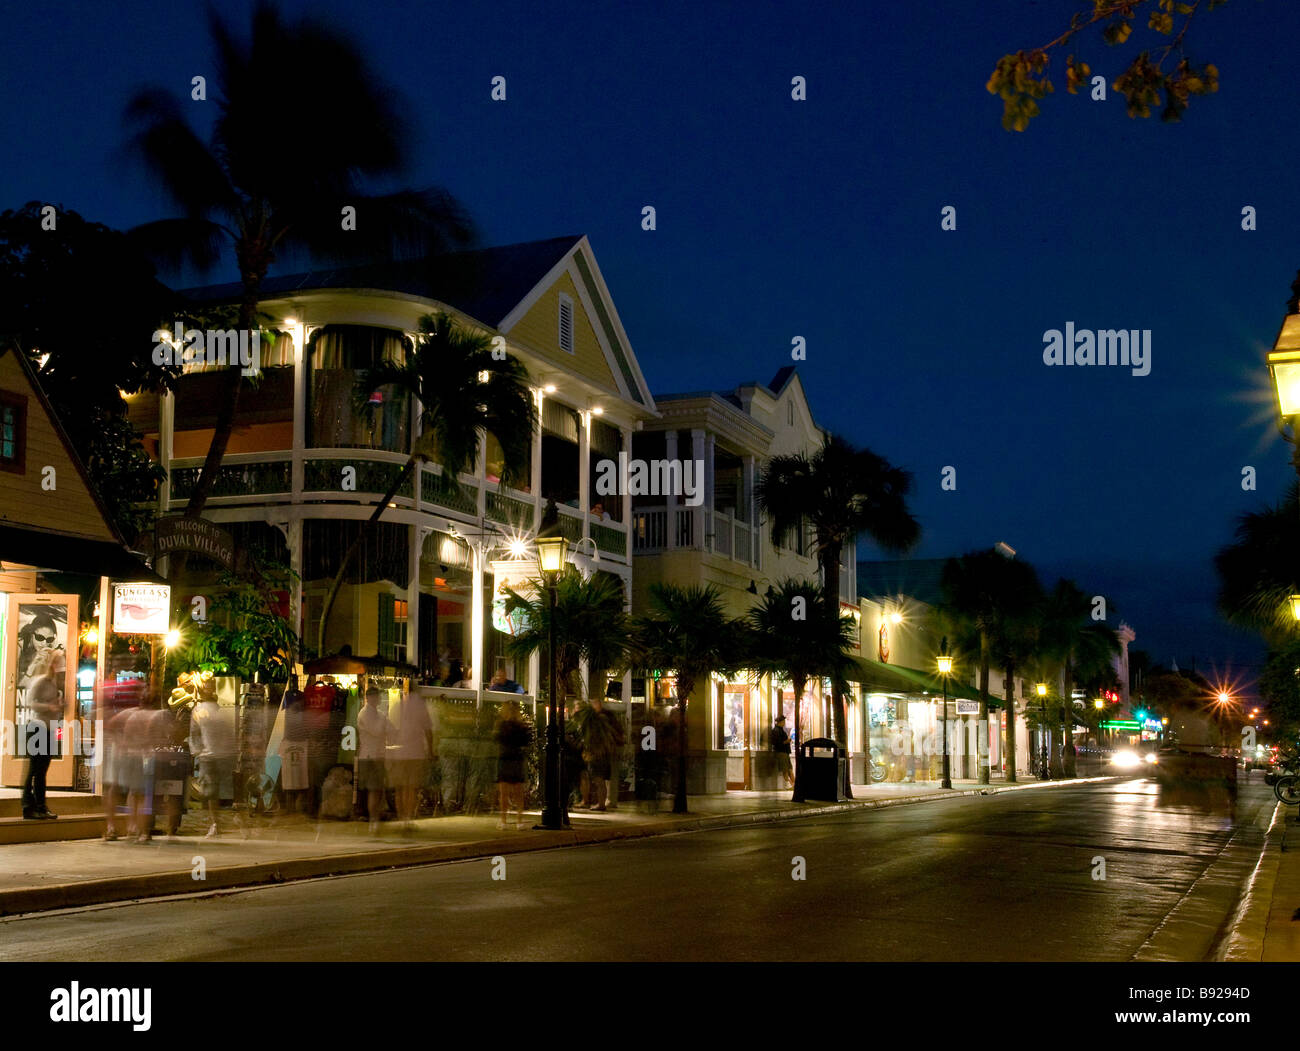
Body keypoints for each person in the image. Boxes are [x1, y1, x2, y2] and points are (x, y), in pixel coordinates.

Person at [189, 679, 237, 838]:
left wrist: (197, 751)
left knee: (212, 791)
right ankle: (215, 822)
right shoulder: (203, 711)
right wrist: (199, 751)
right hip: (213, 756)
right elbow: (195, 733)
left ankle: (215, 822)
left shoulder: (206, 711)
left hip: (216, 755)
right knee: (212, 791)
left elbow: (194, 734)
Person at [20, 676, 62, 820]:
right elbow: (30, 702)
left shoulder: (57, 685)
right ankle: (29, 807)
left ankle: (40, 806)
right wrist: (48, 706)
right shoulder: (41, 681)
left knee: (41, 770)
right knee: (35, 769)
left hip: (50, 729)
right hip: (38, 727)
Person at [389, 692, 433, 831]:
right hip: (416, 752)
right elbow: (428, 730)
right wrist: (430, 750)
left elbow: (391, 730)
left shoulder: (396, 706)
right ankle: (408, 818)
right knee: (411, 788)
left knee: (400, 788)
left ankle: (401, 818)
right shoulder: (421, 706)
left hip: (399, 753)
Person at [357, 686, 392, 834]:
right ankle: (373, 819)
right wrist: (385, 719)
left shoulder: (377, 714)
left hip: (375, 755)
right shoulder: (366, 714)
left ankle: (374, 817)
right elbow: (378, 731)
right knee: (374, 789)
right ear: (369, 698)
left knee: (376, 789)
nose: (378, 699)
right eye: (376, 696)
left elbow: (390, 729)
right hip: (370, 756)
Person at [579, 696, 624, 812]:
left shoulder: (600, 720)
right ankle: (605, 801)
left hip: (602, 752)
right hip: (606, 751)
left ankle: (604, 802)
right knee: (604, 779)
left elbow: (603, 735)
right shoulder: (604, 718)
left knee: (601, 779)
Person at [494, 701, 533, 830]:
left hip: (505, 757)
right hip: (516, 758)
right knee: (518, 792)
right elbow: (526, 742)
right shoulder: (521, 726)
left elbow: (497, 739)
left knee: (503, 793)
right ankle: (519, 821)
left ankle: (503, 821)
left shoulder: (502, 725)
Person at [770, 714, 793, 788]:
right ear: (780, 722)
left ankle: (793, 784)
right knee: (786, 769)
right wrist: (787, 741)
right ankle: (788, 784)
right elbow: (777, 743)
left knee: (789, 769)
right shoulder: (776, 731)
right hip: (781, 752)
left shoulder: (780, 730)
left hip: (785, 752)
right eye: (783, 721)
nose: (784, 723)